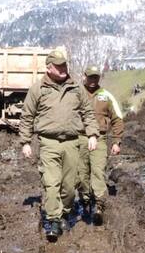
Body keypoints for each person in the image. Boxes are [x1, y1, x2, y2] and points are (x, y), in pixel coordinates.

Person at [19, 49, 99, 240]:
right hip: (49, 143)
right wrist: (25, 142)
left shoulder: (76, 88)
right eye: (59, 66)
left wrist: (92, 134)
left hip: (72, 143)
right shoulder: (38, 89)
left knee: (69, 187)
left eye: (64, 65)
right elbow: (27, 116)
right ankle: (54, 221)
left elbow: (88, 113)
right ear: (49, 68)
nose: (63, 68)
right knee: (52, 183)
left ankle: (65, 212)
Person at [76, 65, 124, 225]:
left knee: (98, 171)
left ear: (99, 77)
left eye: (96, 77)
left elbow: (117, 118)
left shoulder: (106, 96)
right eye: (90, 77)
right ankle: (85, 199)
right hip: (79, 138)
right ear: (85, 77)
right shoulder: (76, 94)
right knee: (81, 174)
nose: (93, 80)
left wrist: (117, 141)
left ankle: (99, 205)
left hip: (100, 139)